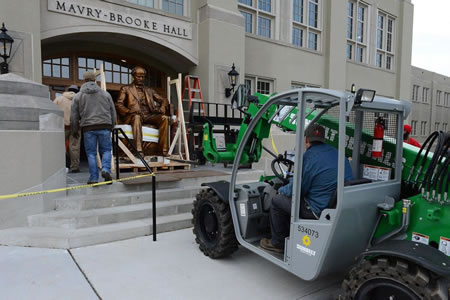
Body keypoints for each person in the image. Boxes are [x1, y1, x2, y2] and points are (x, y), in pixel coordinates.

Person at [260, 124, 354, 253]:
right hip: (337, 206)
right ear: (323, 139)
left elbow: (298, 190)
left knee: (277, 200)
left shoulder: (308, 158)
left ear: (305, 140)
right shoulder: (340, 155)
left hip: (316, 210)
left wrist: (282, 190)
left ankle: (278, 243)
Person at [70, 71, 116, 184]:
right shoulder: (105, 94)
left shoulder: (78, 96)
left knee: (91, 153)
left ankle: (94, 178)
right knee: (106, 150)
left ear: (84, 80)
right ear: (95, 80)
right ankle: (106, 169)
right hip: (104, 125)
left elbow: (74, 115)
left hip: (88, 128)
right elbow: (113, 112)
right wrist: (112, 125)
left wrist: (75, 130)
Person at [116, 66, 169, 156]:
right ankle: (138, 150)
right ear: (133, 76)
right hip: (133, 115)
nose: (141, 79)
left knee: (164, 118)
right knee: (137, 117)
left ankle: (163, 150)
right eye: (138, 76)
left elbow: (164, 100)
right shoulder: (126, 89)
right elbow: (118, 104)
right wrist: (129, 111)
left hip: (148, 115)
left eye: (143, 77)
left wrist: (163, 107)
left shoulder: (149, 90)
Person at [53, 85, 81, 173]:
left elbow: (52, 112)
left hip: (62, 127)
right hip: (76, 127)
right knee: (74, 147)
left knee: (59, 146)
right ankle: (75, 167)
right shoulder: (80, 100)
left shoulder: (59, 99)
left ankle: (59, 166)